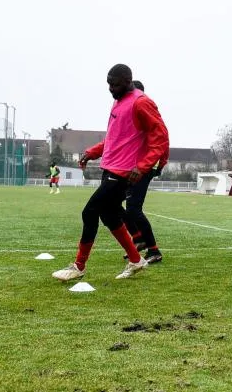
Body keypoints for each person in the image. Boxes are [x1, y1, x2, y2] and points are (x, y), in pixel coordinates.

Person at [52, 64, 169, 282]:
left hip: (124, 172)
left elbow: (160, 137)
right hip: (111, 168)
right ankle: (136, 260)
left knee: (89, 212)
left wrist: (143, 166)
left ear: (127, 81)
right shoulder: (118, 102)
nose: (110, 88)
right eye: (108, 84)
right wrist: (91, 153)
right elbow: (115, 139)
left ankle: (79, 266)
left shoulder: (141, 102)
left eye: (114, 84)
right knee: (109, 214)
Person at [117, 80, 169, 264]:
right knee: (114, 204)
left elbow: (162, 137)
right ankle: (138, 239)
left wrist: (157, 165)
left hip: (142, 168)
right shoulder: (130, 110)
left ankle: (153, 250)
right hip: (132, 167)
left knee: (133, 208)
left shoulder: (143, 106)